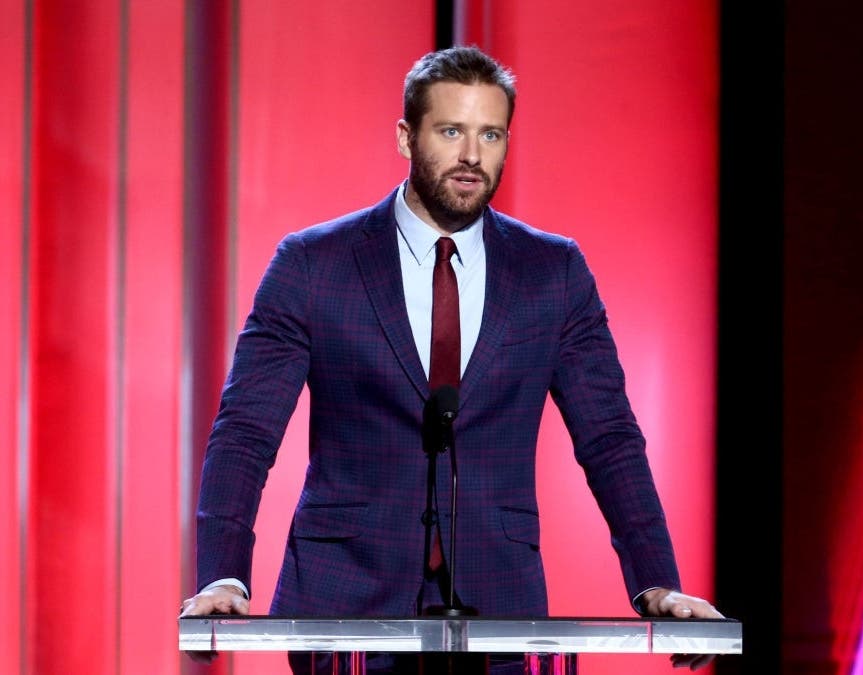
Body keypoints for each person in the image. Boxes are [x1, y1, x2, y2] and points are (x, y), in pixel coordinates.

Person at [180, 45, 724, 673]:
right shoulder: (312, 264)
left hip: (500, 602)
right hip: (344, 601)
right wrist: (223, 576)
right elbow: (246, 431)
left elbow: (609, 438)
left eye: (491, 134)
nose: (472, 155)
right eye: (451, 131)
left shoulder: (553, 271)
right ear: (406, 137)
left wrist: (656, 581)